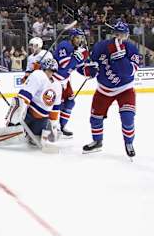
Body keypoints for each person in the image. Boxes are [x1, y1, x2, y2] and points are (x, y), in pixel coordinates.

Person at [82, 19, 139, 158]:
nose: (120, 37)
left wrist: (120, 58)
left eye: (123, 34)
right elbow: (88, 68)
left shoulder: (131, 48)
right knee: (95, 118)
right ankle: (97, 141)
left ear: (127, 35)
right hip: (103, 89)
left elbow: (130, 72)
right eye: (117, 33)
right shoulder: (101, 46)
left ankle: (129, 142)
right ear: (113, 34)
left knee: (127, 117)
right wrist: (89, 69)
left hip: (125, 89)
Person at [0, 58, 62, 151]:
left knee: (35, 140)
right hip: (28, 115)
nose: (50, 73)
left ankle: (27, 131)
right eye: (48, 70)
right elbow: (24, 96)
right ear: (43, 69)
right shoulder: (38, 75)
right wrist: (18, 113)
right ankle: (12, 125)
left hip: (42, 120)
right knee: (18, 104)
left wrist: (53, 125)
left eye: (52, 71)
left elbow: (55, 109)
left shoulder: (57, 85)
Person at [52, 29, 89, 137]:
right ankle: (51, 126)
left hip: (65, 81)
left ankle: (62, 127)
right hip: (55, 80)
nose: (79, 40)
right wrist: (77, 58)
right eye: (77, 37)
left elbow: (78, 68)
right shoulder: (64, 45)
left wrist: (89, 71)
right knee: (56, 104)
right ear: (72, 37)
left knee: (70, 103)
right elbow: (64, 65)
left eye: (81, 38)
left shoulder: (76, 49)